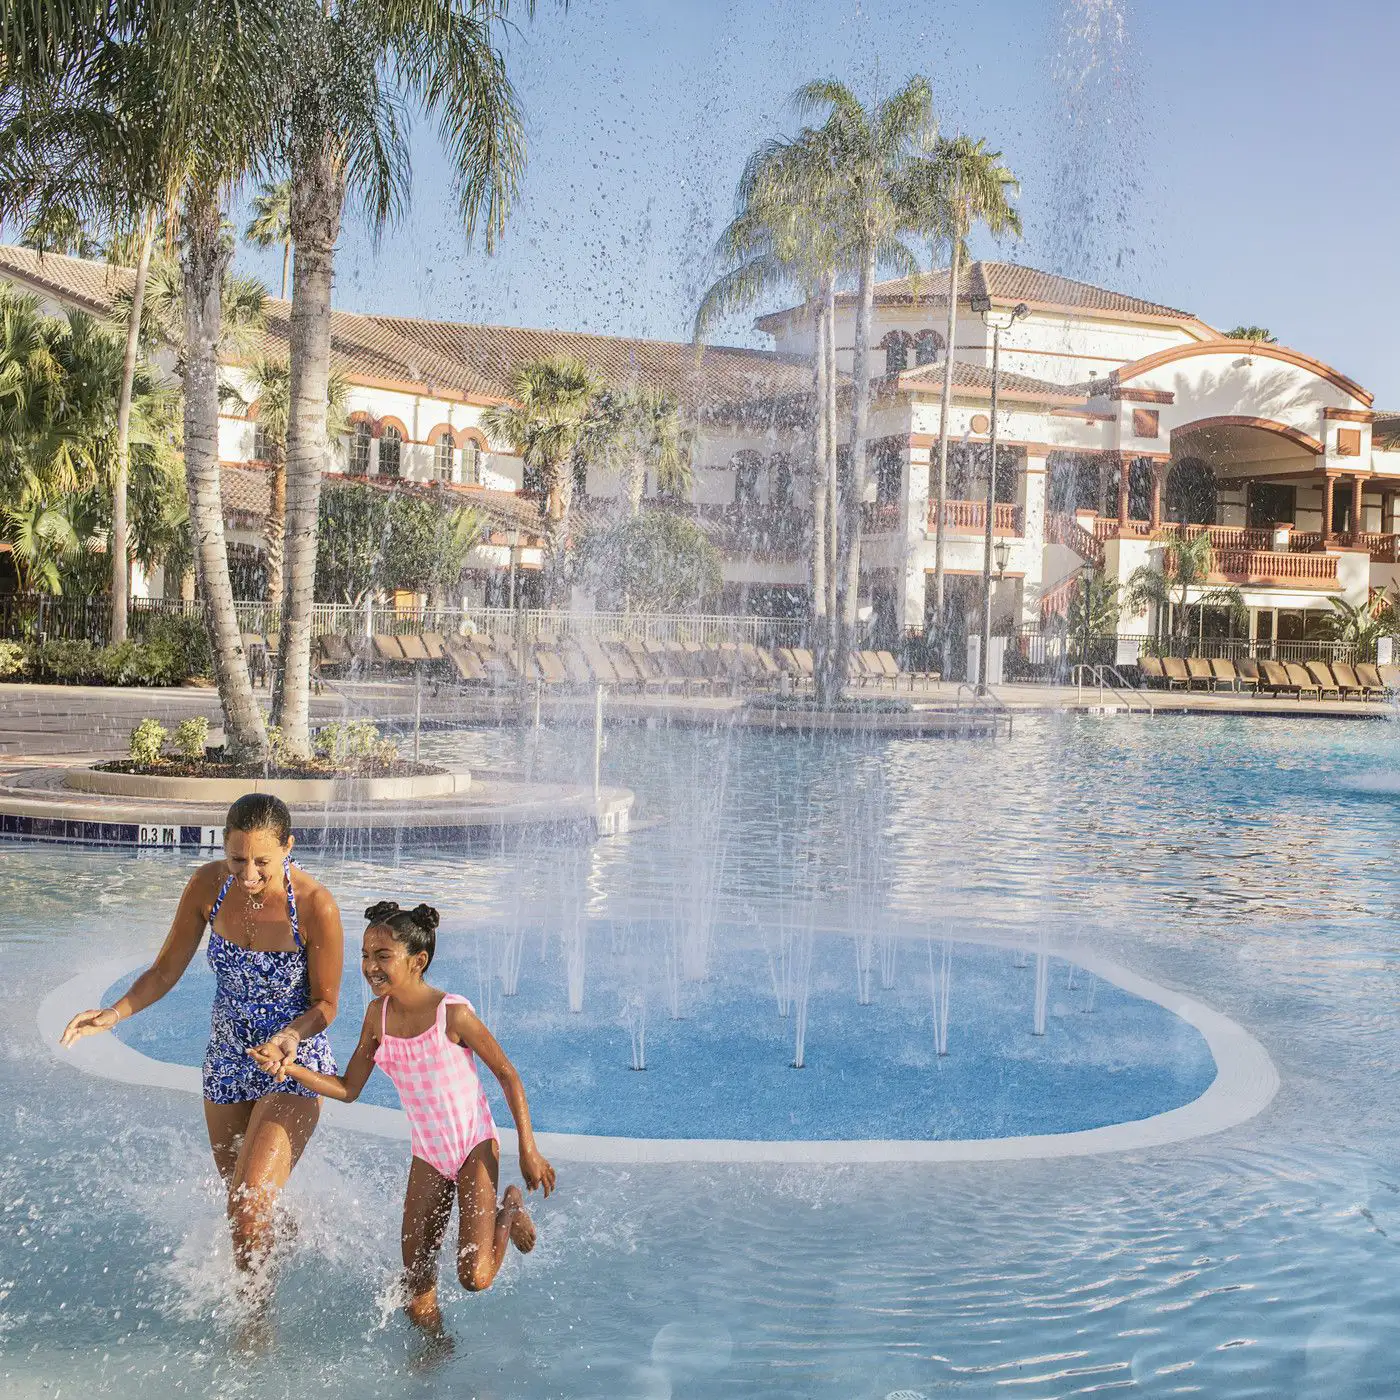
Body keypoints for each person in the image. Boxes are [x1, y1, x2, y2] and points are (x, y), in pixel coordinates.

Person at [60, 793, 344, 1285]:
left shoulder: (316, 907)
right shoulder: (208, 886)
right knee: (242, 1207)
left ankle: (255, 1328)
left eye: (263, 862)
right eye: (238, 859)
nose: (249, 874)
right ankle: (289, 1243)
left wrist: (290, 1036)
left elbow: (327, 1004)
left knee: (248, 1203)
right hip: (227, 1061)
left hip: (294, 1064)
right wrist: (114, 1012)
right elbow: (166, 969)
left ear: (289, 848)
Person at [254, 900, 554, 1333]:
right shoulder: (377, 1017)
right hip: (429, 1154)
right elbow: (348, 1088)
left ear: (418, 962)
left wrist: (529, 1149)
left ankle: (509, 1209)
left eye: (382, 957)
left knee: (476, 1278)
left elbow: (507, 1075)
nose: (370, 966)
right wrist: (290, 1068)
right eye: (365, 956)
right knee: (416, 1280)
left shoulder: (453, 1013)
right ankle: (433, 1344)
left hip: (474, 1146)